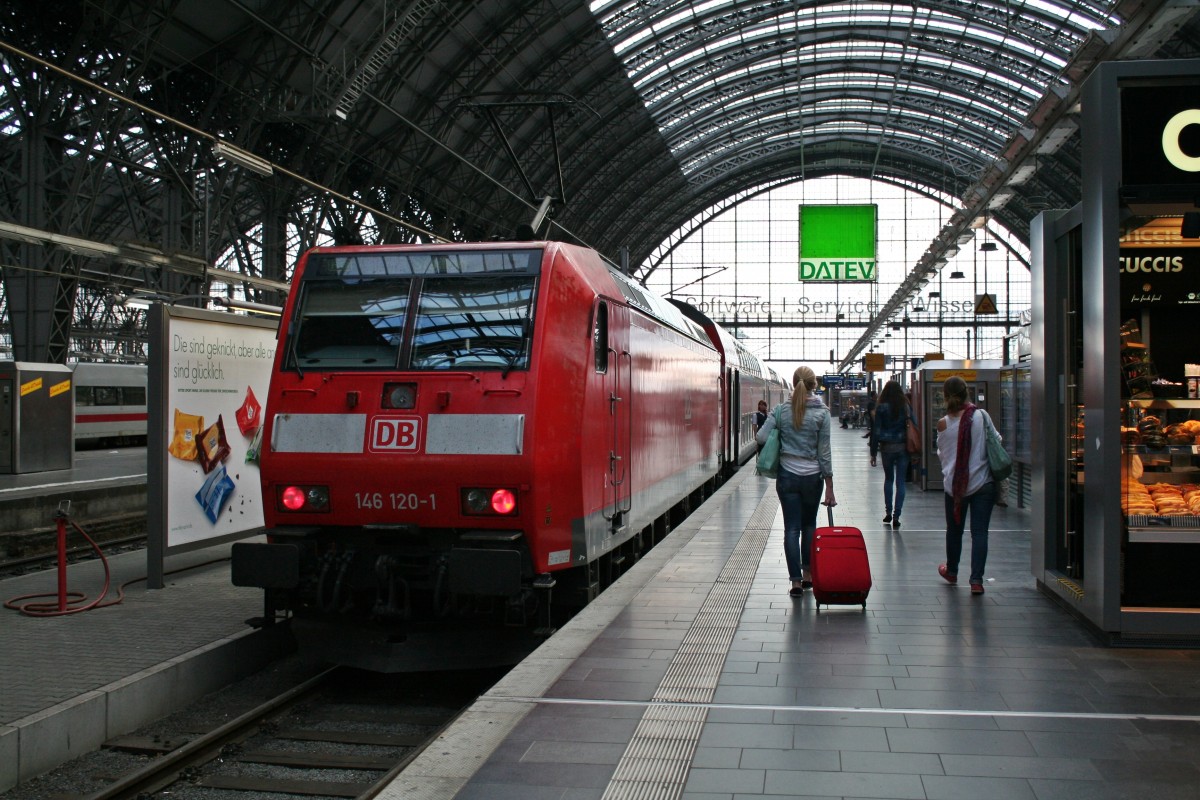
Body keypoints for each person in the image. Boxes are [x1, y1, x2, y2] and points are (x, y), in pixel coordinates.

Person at [756, 366, 837, 596]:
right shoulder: (822, 413)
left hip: (788, 475)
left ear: (794, 383)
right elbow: (825, 452)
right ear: (814, 385)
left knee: (791, 528)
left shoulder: (781, 411)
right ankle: (809, 574)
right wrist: (829, 485)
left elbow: (761, 436)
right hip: (813, 477)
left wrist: (780, 437)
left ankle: (795, 582)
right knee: (809, 525)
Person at [935, 375, 997, 595]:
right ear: (966, 392)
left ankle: (952, 571)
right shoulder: (981, 416)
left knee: (954, 530)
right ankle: (976, 580)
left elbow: (942, 454)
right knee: (980, 533)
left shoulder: (943, 423)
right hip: (983, 484)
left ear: (945, 395)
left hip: (955, 486)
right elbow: (996, 441)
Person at [872, 380, 915, 528]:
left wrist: (873, 453)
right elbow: (914, 423)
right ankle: (897, 515)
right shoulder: (905, 406)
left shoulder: (881, 407)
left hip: (886, 448)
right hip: (903, 447)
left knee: (889, 479)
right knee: (901, 481)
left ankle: (888, 512)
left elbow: (876, 431)